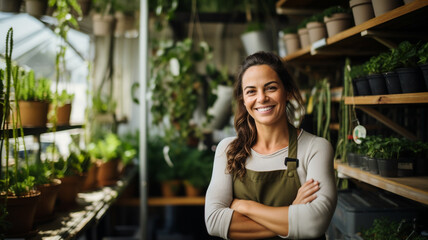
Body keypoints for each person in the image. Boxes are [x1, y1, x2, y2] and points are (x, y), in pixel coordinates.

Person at [204, 51, 337, 239]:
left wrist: (244, 206)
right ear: (243, 99)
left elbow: (313, 223)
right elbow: (214, 222)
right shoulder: (228, 150)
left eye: (271, 88)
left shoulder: (315, 148)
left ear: (288, 92)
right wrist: (293, 212)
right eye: (251, 91)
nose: (261, 98)